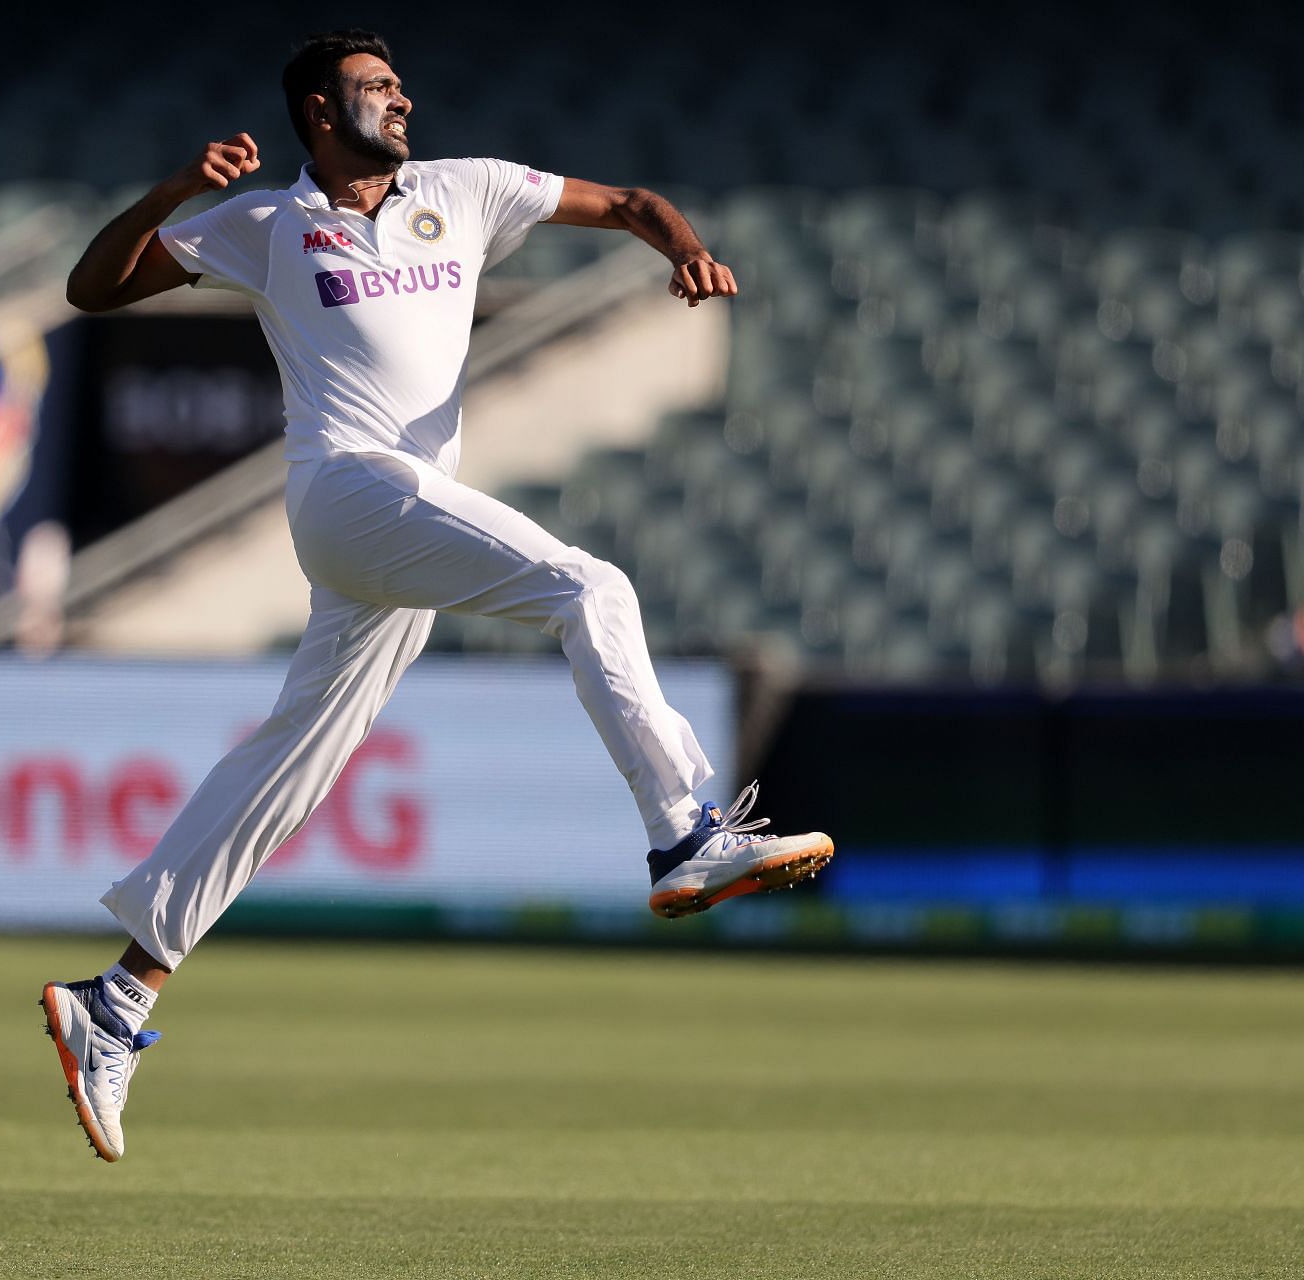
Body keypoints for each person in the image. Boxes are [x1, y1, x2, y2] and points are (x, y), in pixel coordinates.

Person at [43, 30, 834, 1162]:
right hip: (346, 489)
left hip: (400, 518)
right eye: (376, 88)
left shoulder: (463, 191)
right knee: (588, 583)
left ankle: (115, 1001)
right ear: (321, 110)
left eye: (400, 84)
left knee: (293, 761)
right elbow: (93, 286)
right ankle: (681, 835)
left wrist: (686, 249)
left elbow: (631, 202)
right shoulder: (265, 222)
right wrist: (171, 194)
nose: (403, 98)